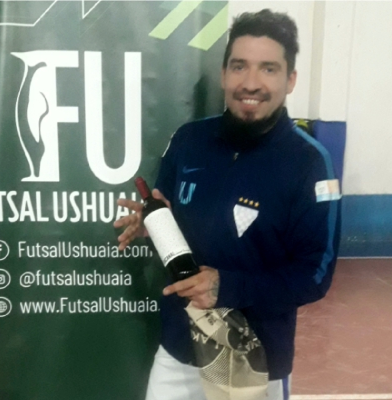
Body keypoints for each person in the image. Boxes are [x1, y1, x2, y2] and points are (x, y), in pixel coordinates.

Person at [114, 9, 341, 400]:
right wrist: (155, 225)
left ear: (290, 80)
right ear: (223, 74)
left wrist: (227, 287)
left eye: (268, 69)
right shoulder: (188, 140)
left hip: (253, 362)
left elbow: (314, 276)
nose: (250, 82)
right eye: (239, 66)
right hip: (179, 352)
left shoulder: (309, 164)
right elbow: (170, 215)